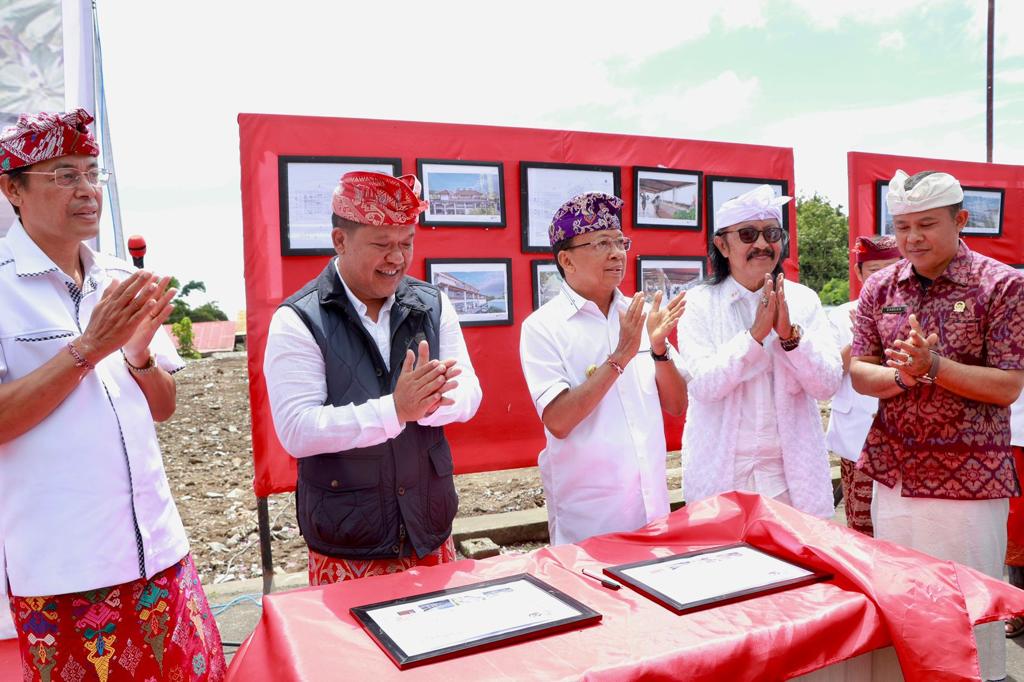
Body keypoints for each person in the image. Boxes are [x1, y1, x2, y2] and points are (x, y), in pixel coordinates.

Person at [0, 109, 225, 679]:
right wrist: (89, 348)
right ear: (12, 190)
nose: (86, 190)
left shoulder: (121, 278)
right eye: (63, 175)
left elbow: (164, 407)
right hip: (66, 572)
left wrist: (139, 357)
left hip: (161, 553)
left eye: (92, 173)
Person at [264, 171, 482, 585]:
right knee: (353, 651)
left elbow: (470, 392)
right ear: (340, 241)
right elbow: (297, 430)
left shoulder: (433, 305)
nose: (397, 259)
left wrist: (435, 403)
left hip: (429, 531)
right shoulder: (299, 320)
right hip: (349, 542)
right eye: (381, 245)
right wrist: (395, 410)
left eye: (406, 243)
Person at [850, 169, 1024, 682]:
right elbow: (861, 371)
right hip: (896, 479)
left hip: (969, 486)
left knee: (968, 614)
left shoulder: (1003, 284)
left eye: (926, 224)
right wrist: (902, 378)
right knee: (902, 606)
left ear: (961, 220)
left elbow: (1008, 385)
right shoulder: (881, 287)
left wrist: (935, 367)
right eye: (902, 227)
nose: (911, 238)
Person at [519, 192, 687, 545]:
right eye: (600, 243)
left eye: (619, 241)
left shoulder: (638, 314)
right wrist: (621, 356)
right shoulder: (543, 326)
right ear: (566, 259)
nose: (616, 253)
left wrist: (658, 351)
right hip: (592, 519)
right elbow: (559, 421)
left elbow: (676, 406)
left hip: (652, 507)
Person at [677, 185, 840, 517]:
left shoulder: (803, 300)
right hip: (723, 473)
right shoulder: (697, 304)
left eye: (772, 233)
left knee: (799, 565)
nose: (762, 244)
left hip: (791, 475)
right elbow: (703, 386)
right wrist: (753, 338)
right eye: (748, 234)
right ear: (722, 245)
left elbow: (827, 385)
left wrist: (791, 338)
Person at [824, 235, 901, 535]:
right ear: (858, 273)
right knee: (860, 527)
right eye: (874, 270)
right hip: (857, 436)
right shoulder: (841, 314)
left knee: (898, 529)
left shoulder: (916, 310)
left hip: (902, 437)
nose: (884, 277)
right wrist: (863, 337)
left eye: (892, 268)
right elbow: (830, 372)